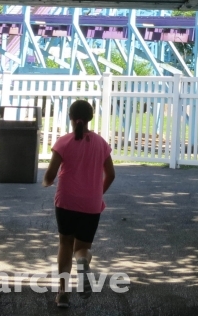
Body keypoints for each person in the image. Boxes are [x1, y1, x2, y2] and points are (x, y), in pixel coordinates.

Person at [43, 100, 116, 308]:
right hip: (91, 204)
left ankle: (63, 293)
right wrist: (96, 193)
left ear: (70, 118)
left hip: (66, 201)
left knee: (65, 243)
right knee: (82, 247)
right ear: (90, 118)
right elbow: (111, 174)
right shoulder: (101, 144)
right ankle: (83, 261)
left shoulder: (63, 142)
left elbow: (50, 173)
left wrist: (46, 182)